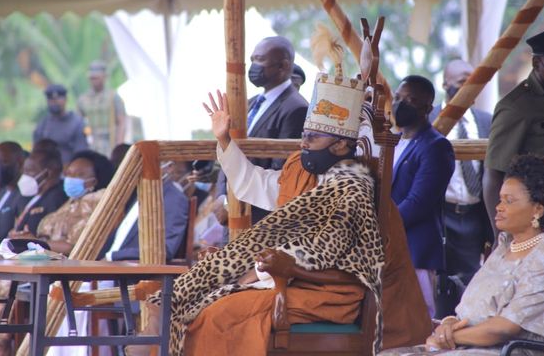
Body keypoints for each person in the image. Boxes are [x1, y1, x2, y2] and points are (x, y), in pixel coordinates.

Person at [126, 72, 430, 356]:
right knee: (184, 300)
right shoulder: (304, 171)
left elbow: (322, 253)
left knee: (221, 315)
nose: (304, 143)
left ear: (340, 145)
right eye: (305, 134)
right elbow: (254, 183)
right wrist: (224, 139)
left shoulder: (353, 190)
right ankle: (155, 341)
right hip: (285, 279)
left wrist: (255, 272)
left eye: (313, 137)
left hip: (327, 293)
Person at [387, 155, 544, 355]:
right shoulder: (506, 246)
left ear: (538, 209)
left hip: (509, 350)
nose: (499, 207)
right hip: (470, 345)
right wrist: (449, 323)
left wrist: (447, 336)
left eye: (509, 201)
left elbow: (505, 328)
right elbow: (469, 309)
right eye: (501, 199)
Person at [484, 30, 544, 247]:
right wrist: (501, 231)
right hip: (538, 223)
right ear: (536, 63)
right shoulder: (516, 106)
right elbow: (494, 174)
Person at [216, 36, 309, 226]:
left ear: (283, 66)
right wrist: (222, 198)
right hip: (231, 212)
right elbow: (227, 149)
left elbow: (282, 173)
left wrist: (236, 203)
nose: (253, 66)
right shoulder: (249, 104)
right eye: (252, 60)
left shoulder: (296, 108)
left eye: (260, 60)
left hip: (260, 221)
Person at [429, 60, 493, 309]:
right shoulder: (430, 119)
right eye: (460, 81)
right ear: (445, 84)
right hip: (441, 215)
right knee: (439, 284)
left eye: (472, 81)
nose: (468, 87)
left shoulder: (487, 122)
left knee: (470, 286)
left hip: (474, 217)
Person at [391, 75, 455, 318]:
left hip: (416, 247)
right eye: (398, 98)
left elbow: (419, 202)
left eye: (410, 100)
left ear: (428, 107)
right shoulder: (394, 142)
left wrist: (381, 226)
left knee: (417, 317)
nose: (400, 104)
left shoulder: (436, 146)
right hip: (390, 244)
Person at [10, 151, 114, 256]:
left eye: (79, 175)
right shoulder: (71, 202)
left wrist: (35, 242)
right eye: (69, 173)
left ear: (94, 181)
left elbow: (73, 246)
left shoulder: (95, 203)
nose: (71, 178)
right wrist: (30, 238)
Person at [103, 161, 188, 262]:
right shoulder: (140, 192)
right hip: (106, 268)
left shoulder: (173, 199)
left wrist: (113, 256)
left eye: (146, 161)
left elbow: (165, 249)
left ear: (169, 167)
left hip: (129, 272)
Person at [10, 149, 67, 236]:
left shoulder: (56, 198)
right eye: (24, 171)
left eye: (29, 171)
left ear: (47, 173)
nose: (24, 176)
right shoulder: (37, 194)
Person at [78, 60, 127, 157]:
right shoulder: (83, 99)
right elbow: (79, 122)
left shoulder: (113, 97)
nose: (94, 81)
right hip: (91, 142)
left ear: (104, 77)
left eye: (97, 78)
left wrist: (119, 145)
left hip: (110, 142)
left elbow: (122, 122)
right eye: (92, 78)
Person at [33, 84, 89, 165]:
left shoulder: (77, 123)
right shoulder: (43, 124)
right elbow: (36, 153)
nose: (54, 102)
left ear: (66, 99)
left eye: (57, 99)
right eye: (51, 99)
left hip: (70, 171)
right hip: (47, 171)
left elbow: (81, 154)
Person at [0, 141, 26, 241]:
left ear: (20, 162)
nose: (0, 167)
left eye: (4, 162)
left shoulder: (24, 195)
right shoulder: (2, 192)